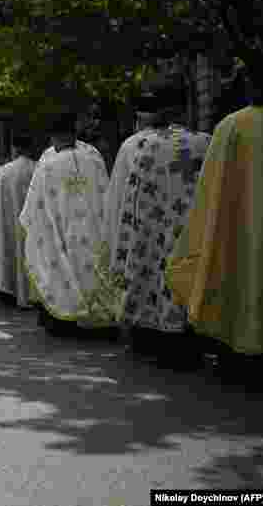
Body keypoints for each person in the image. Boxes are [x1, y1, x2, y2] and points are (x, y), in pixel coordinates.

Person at [165, 62, 263, 382]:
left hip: (239, 230)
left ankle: (241, 359)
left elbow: (211, 191)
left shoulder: (231, 126)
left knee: (242, 286)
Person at [101, 85, 211, 369]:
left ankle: (152, 337)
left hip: (152, 230)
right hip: (190, 229)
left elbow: (131, 200)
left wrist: (127, 243)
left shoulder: (144, 146)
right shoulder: (204, 143)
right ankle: (188, 341)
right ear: (187, 108)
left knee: (155, 279)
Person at [20, 113, 115, 335]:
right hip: (94, 230)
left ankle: (67, 320)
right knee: (94, 269)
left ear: (53, 138)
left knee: (62, 271)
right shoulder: (94, 158)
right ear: (74, 134)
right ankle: (101, 320)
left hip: (61, 232)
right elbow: (106, 193)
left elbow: (33, 208)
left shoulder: (48, 164)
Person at [0, 134, 40, 308]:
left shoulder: (5, 171)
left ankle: (12, 291)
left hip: (9, 221)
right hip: (33, 222)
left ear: (15, 148)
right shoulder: (38, 168)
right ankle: (32, 295)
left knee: (12, 253)